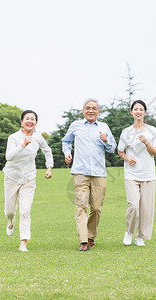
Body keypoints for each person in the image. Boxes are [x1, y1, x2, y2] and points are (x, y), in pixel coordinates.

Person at [62, 98, 117, 251]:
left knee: (96, 207)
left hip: (99, 173)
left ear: (98, 111)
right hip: (80, 172)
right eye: (88, 108)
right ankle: (83, 241)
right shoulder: (75, 126)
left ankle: (91, 235)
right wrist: (67, 153)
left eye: (94, 108)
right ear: (83, 111)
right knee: (81, 206)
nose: (91, 110)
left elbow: (112, 148)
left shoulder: (104, 127)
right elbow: (66, 141)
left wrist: (106, 141)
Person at [3, 110, 53, 252]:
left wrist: (49, 168)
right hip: (11, 177)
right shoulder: (13, 137)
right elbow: (8, 157)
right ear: (22, 122)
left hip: (29, 178)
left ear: (36, 123)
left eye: (32, 119)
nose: (29, 121)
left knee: (25, 211)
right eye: (27, 119)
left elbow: (47, 151)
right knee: (10, 210)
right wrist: (23, 144)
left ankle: (23, 242)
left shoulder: (38, 137)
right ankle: (10, 221)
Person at [117, 100, 156, 247]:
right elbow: (120, 151)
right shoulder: (126, 132)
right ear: (131, 112)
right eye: (135, 109)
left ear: (145, 112)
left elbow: (155, 152)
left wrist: (146, 142)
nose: (138, 112)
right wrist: (128, 159)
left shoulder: (152, 130)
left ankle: (140, 237)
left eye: (141, 109)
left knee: (146, 207)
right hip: (131, 174)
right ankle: (129, 232)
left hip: (148, 174)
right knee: (134, 205)